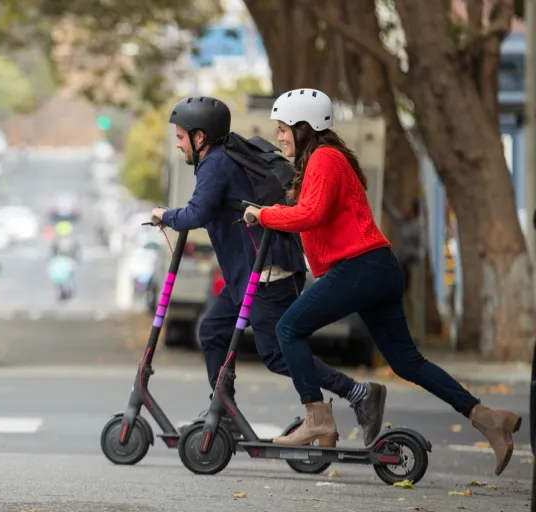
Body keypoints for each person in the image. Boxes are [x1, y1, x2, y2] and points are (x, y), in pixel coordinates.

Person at [243, 88, 521, 475]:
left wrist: (265, 214)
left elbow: (311, 215)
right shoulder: (323, 160)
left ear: (304, 127)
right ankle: (488, 418)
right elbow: (313, 214)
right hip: (375, 268)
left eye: (283, 128)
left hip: (359, 267)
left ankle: (317, 418)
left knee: (288, 328)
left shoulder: (325, 158)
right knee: (407, 362)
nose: (279, 136)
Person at [151, 96, 387, 443]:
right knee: (213, 332)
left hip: (267, 273)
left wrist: (164, 215)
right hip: (246, 276)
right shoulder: (224, 154)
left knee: (277, 353)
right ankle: (224, 410)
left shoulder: (217, 163)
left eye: (181, 136)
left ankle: (357, 393)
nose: (178, 142)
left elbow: (196, 213)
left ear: (200, 137)